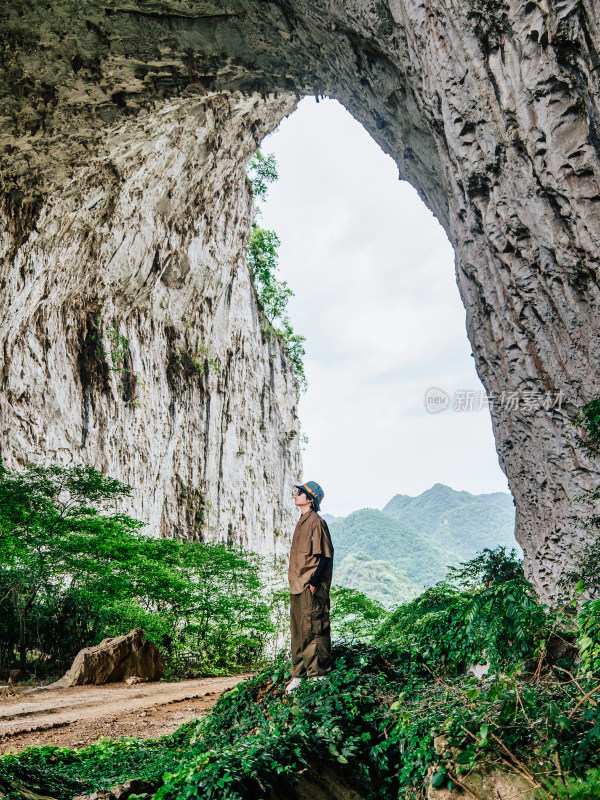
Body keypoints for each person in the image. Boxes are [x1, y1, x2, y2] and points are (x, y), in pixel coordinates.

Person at [286, 480, 334, 694]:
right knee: (298, 630)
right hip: (296, 585)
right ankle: (298, 675)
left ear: (310, 500)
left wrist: (314, 583)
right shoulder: (302, 521)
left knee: (314, 628)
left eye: (301, 492)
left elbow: (324, 556)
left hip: (309, 586)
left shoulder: (316, 522)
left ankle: (318, 675)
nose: (296, 494)